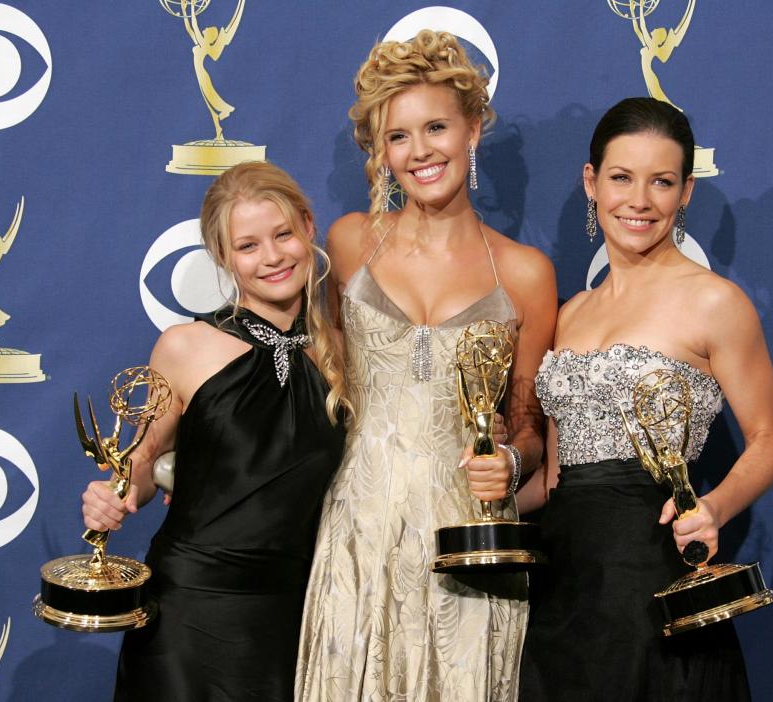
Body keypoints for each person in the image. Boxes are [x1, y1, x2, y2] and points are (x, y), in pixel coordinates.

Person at [295, 30, 557, 702]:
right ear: (380, 150)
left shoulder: (524, 274)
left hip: (467, 538)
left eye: (436, 127)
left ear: (473, 128)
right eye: (398, 137)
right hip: (358, 528)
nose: (419, 152)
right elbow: (322, 381)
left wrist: (512, 463)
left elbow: (528, 428)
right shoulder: (350, 243)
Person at [516, 97, 773, 701]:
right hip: (564, 579)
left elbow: (769, 439)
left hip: (653, 566)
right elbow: (558, 473)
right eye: (621, 178)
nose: (639, 201)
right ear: (591, 182)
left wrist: (714, 507)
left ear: (685, 192)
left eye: (661, 182)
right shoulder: (570, 313)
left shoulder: (716, 302)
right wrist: (489, 499)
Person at [80, 161, 347, 701]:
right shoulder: (185, 346)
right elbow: (143, 456)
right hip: (188, 608)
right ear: (224, 256)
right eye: (247, 246)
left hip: (293, 615)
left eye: (282, 235)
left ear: (308, 228)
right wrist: (116, 491)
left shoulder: (341, 356)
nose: (272, 257)